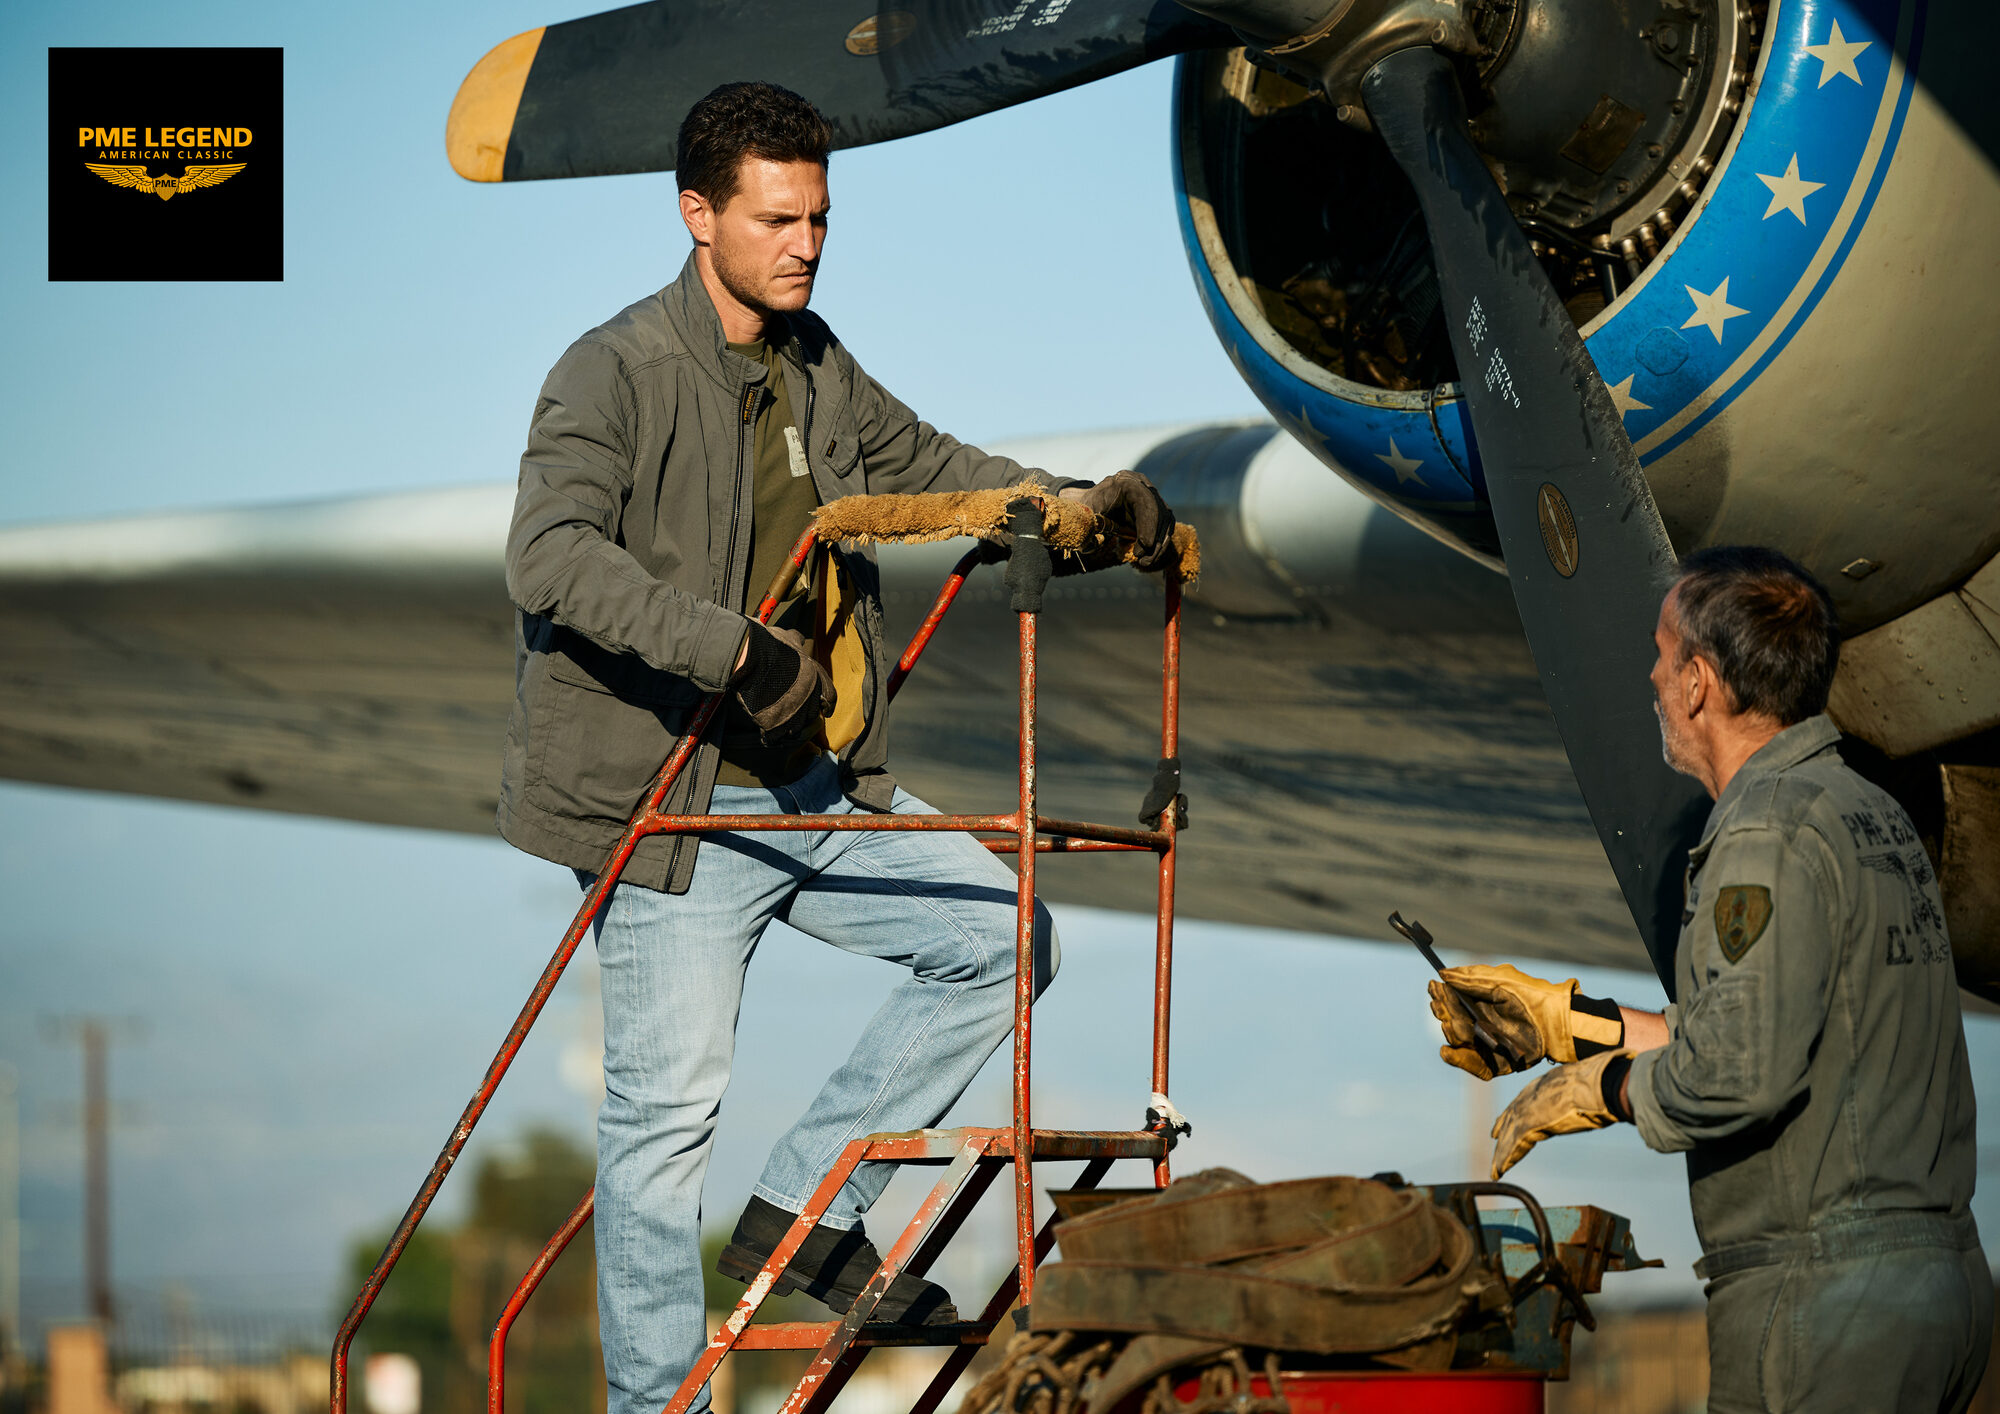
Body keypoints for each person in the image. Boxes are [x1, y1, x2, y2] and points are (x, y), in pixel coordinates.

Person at [496, 81, 1179, 1414]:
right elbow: (547, 554)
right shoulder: (612, 369)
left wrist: (1077, 506)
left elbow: (928, 464)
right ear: (697, 215)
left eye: (818, 215)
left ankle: (815, 1213)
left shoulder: (818, 362)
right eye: (775, 217)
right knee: (659, 1130)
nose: (804, 242)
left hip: (809, 783)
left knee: (1007, 936)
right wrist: (731, 650)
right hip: (673, 813)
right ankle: (657, 1406)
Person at [1427, 547, 1990, 1413]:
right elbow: (1766, 1028)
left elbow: (1734, 1075)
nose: (1650, 677)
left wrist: (1600, 1088)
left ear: (1698, 682)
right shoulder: (1860, 810)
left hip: (1822, 1301)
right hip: (1927, 1282)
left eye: (1661, 654)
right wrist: (1567, 1021)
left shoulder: (1763, 834)